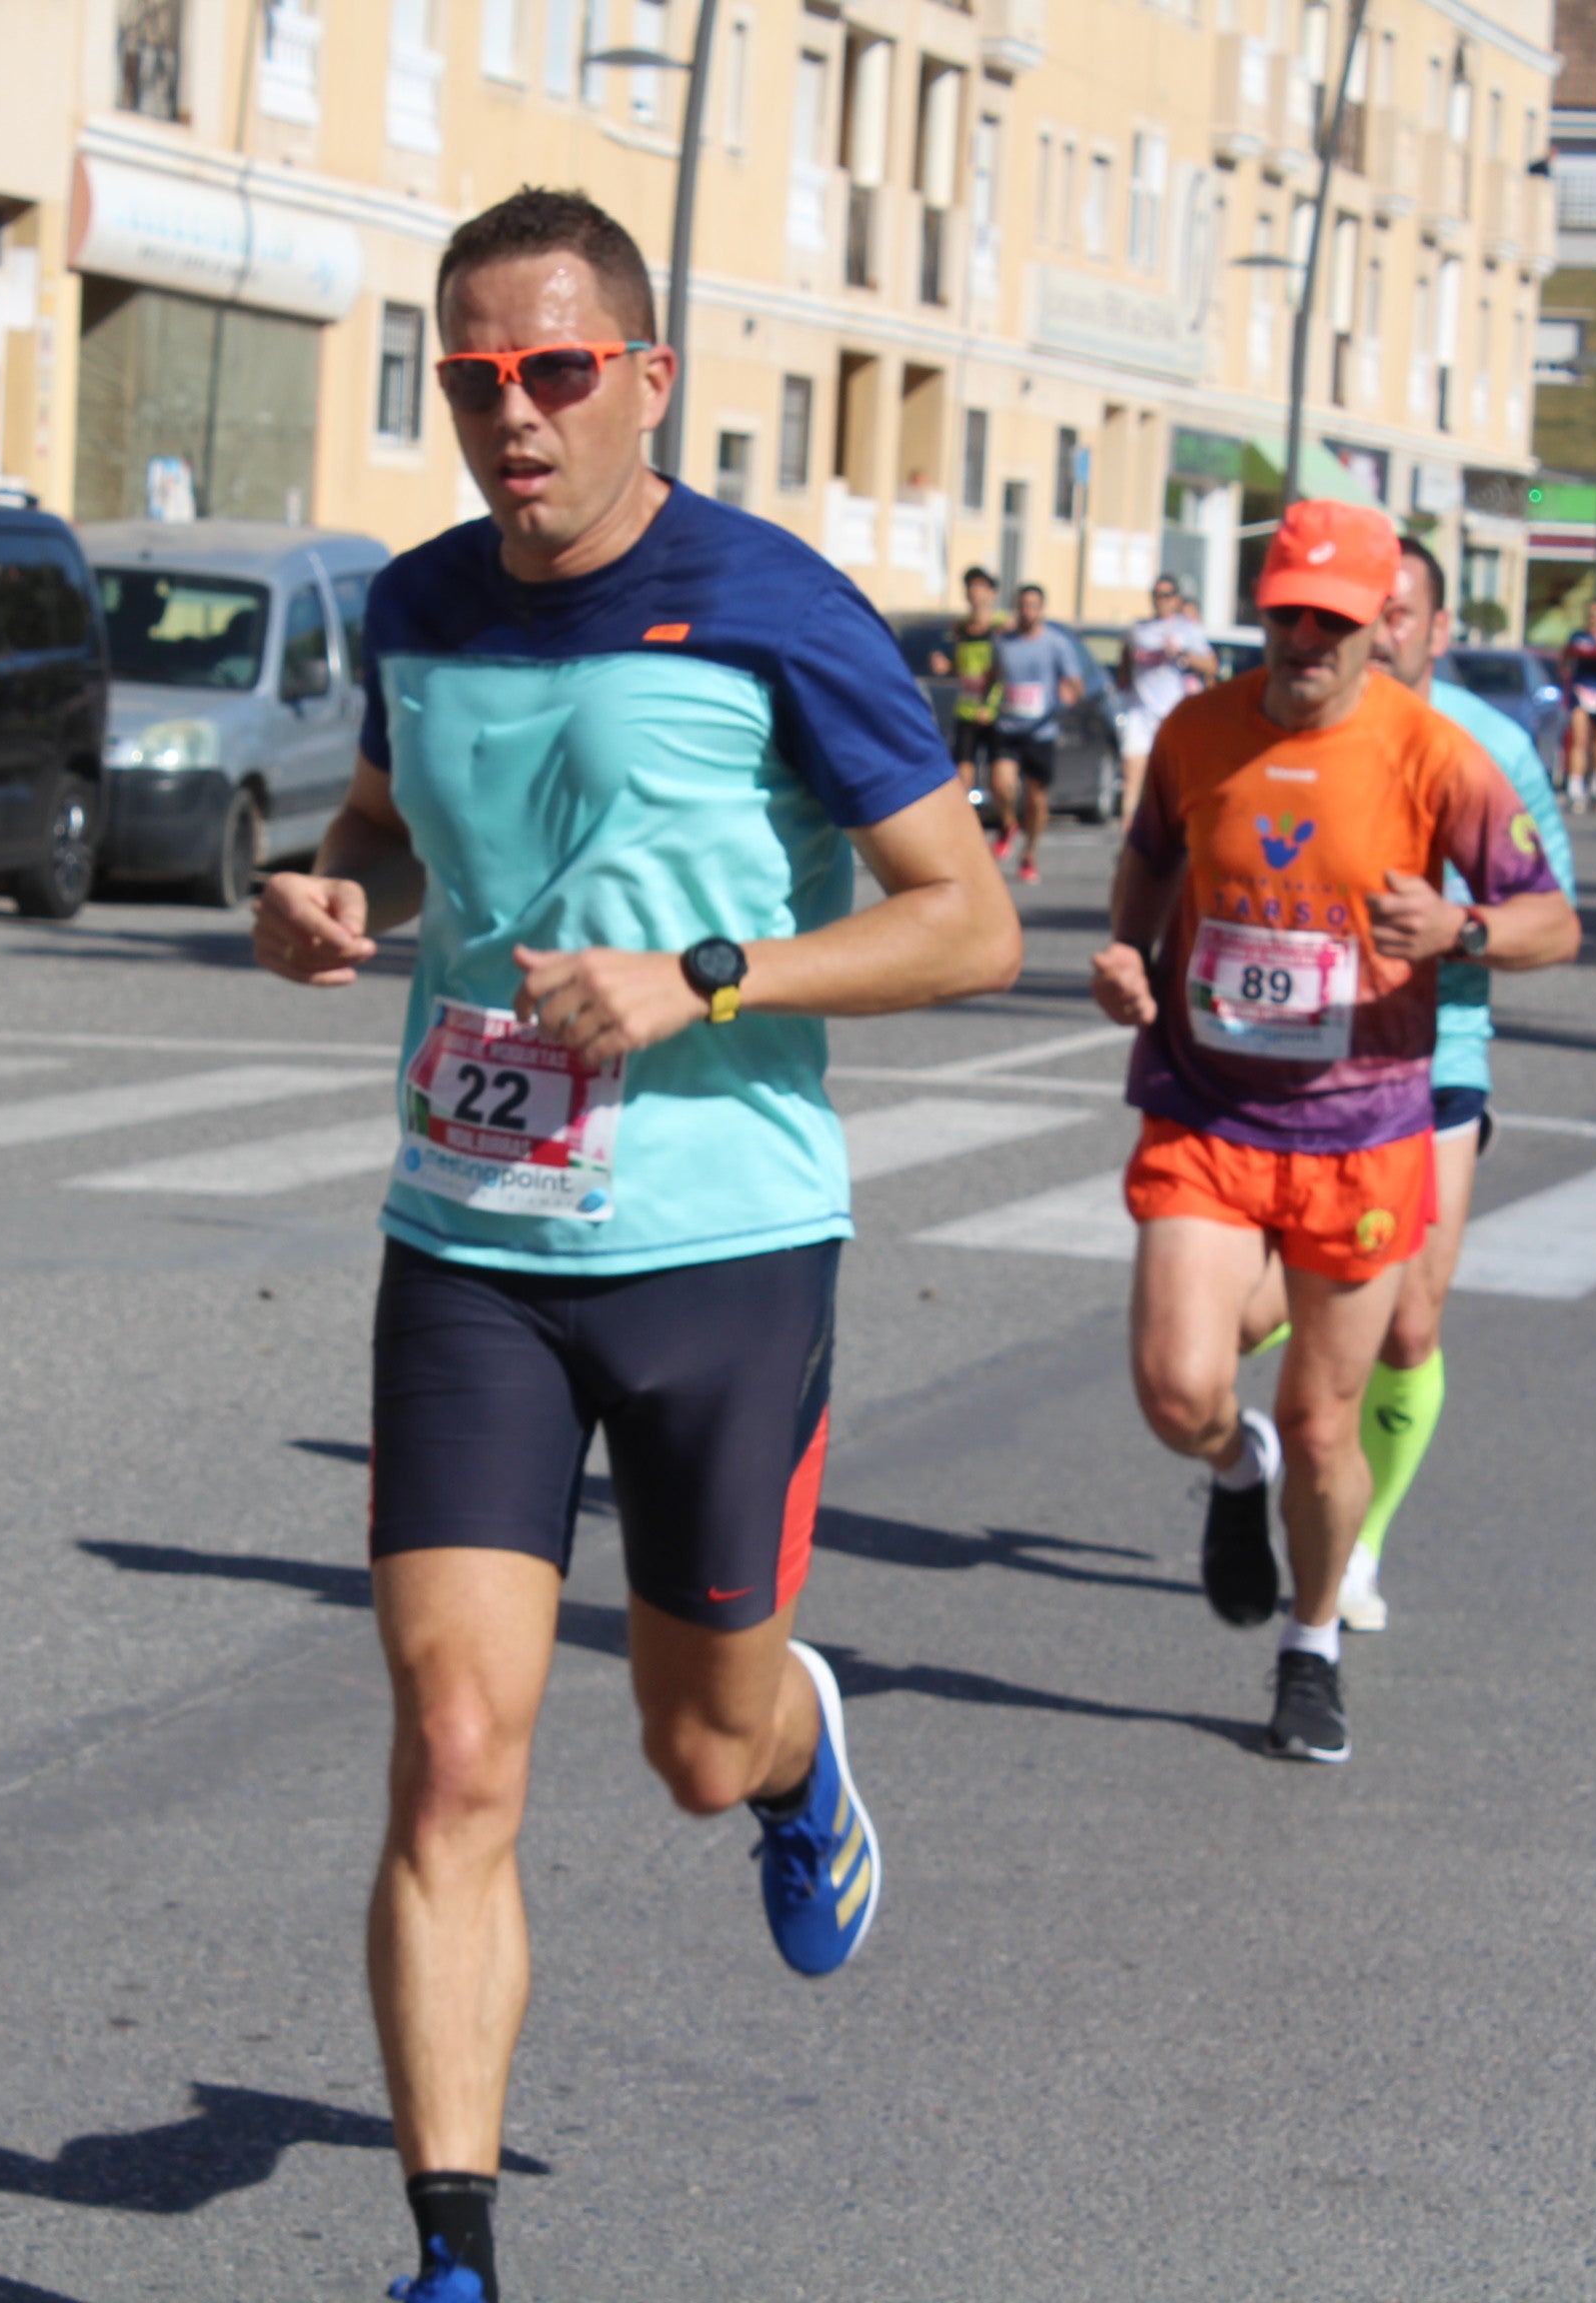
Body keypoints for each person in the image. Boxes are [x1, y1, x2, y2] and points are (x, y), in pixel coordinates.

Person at [248, 186, 1020, 2303]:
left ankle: (798, 1748)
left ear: (649, 378)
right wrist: (326, 895)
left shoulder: (775, 604)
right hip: (472, 1237)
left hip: (719, 1243)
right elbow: (398, 824)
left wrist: (712, 972)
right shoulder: (415, 609)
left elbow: (969, 921)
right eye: (475, 376)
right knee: (459, 1748)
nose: (514, 415)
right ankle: (452, 2259)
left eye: (558, 372)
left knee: (692, 1751)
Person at [1087, 500, 1576, 1764]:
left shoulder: (1435, 754)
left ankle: (1310, 1647)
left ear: (1379, 627)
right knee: (1176, 1385)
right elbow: (1149, 854)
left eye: (1335, 621)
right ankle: (1229, 1466)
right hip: (1207, 1103)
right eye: (1287, 614)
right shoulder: (1197, 730)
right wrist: (1131, 952)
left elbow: (1553, 921)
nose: (1305, 639)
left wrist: (1462, 931)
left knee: (1324, 1420)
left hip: (1363, 1125)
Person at [1221, 535, 1578, 1633]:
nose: (1376, 631)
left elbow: (1553, 920)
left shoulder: (1489, 746)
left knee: (1410, 1326)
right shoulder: (1269, 723)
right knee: (1234, 1327)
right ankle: (1270, 1451)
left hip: (1433, 1060)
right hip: (1283, 1062)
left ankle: (1357, 1543)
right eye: (1360, 611)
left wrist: (1456, 929)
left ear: (1435, 628)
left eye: (1401, 612)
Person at [987, 582, 1087, 884]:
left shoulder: (1056, 644)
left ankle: (1029, 855)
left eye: (1033, 605)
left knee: (1036, 800)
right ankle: (1008, 824)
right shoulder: (1003, 642)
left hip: (1041, 729)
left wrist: (1070, 693)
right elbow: (993, 675)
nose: (1027, 611)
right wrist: (986, 698)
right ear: (1016, 608)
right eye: (1022, 605)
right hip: (1008, 725)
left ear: (1041, 609)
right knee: (1001, 783)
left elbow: (1075, 682)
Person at [1116, 571, 1216, 828]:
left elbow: (1211, 666)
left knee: (1167, 782)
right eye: (1157, 595)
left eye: (1166, 595)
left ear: (1176, 599)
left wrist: (1182, 654)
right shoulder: (1138, 629)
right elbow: (1124, 666)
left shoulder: (1187, 629)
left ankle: (1166, 835)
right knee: (1132, 772)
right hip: (1139, 712)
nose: (1161, 600)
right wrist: (1123, 687)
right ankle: (1128, 838)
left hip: (1171, 714)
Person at [925, 565, 1004, 846]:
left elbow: (1008, 670)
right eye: (970, 587)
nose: (974, 593)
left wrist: (991, 701)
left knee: (1000, 781)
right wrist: (945, 666)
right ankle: (961, 832)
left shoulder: (1002, 626)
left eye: (981, 586)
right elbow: (961, 667)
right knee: (962, 773)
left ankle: (1008, 823)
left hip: (996, 711)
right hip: (967, 708)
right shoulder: (960, 627)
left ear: (992, 593)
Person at [1559, 618, 1596, 810]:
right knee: (1579, 739)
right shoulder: (1577, 637)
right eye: (1590, 616)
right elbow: (1565, 657)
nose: (1593, 620)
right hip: (1580, 691)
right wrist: (1565, 670)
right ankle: (1575, 786)